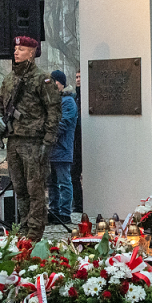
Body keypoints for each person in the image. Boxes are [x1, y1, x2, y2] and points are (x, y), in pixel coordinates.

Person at [0, 36, 61, 242]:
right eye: (15, 48)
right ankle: (23, 226)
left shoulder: (43, 79)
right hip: (14, 140)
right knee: (19, 188)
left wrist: (48, 141)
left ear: (32, 52)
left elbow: (54, 112)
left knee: (35, 188)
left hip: (33, 141)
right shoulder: (9, 79)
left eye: (21, 49)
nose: (16, 52)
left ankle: (34, 230)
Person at [47, 70, 78, 224]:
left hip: (62, 149)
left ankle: (65, 213)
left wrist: (47, 132)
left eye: (55, 83)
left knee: (64, 182)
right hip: (51, 150)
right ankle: (54, 211)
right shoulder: (53, 101)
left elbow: (63, 124)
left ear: (61, 83)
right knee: (51, 183)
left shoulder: (68, 102)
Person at [72, 71, 83, 213]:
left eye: (81, 77)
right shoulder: (75, 98)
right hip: (76, 142)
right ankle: (79, 205)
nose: (78, 80)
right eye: (76, 77)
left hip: (84, 139)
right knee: (74, 174)